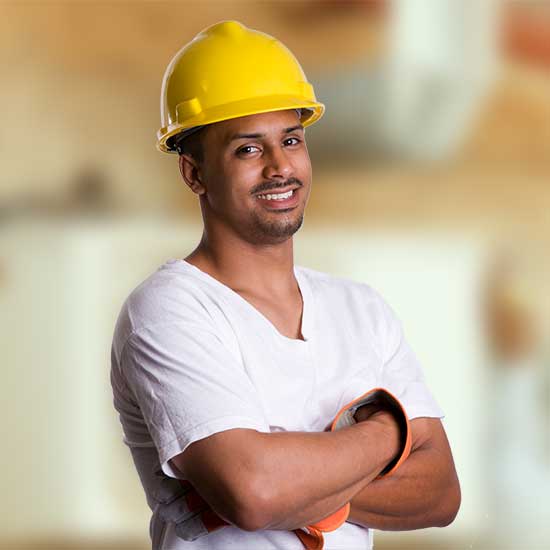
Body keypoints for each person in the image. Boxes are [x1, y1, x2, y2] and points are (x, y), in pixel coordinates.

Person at [110, 20, 460, 550]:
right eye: (248, 150)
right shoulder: (168, 311)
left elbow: (441, 494)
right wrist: (388, 432)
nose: (280, 167)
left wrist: (298, 489)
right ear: (194, 173)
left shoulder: (361, 309)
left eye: (291, 140)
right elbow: (254, 491)